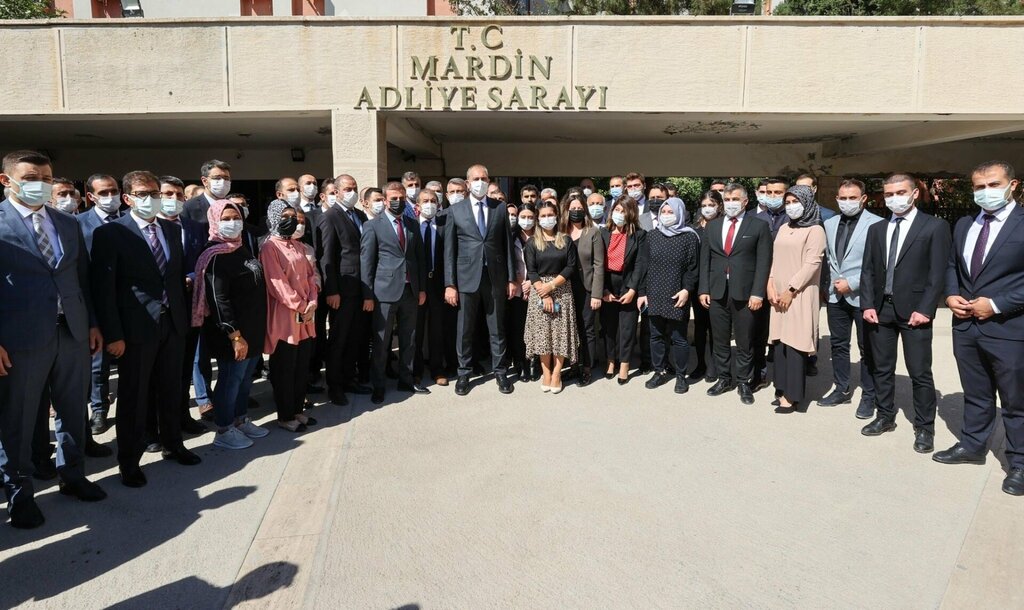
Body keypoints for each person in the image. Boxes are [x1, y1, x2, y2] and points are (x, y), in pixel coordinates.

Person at [0, 150, 107, 529]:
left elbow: (82, 278)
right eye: (32, 178)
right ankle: (19, 493)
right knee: (19, 417)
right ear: (6, 180)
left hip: (71, 331)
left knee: (73, 409)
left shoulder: (67, 222)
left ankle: (73, 475)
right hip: (20, 338)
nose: (41, 185)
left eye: (47, 178)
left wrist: (92, 323)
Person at [91, 170, 200, 489]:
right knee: (134, 397)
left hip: (172, 323)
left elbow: (174, 278)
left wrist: (182, 318)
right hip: (135, 330)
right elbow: (104, 289)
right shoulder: (111, 233)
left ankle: (173, 444)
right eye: (143, 194)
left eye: (156, 193)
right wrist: (114, 335)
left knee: (172, 388)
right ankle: (129, 461)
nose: (152, 199)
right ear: (127, 198)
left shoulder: (170, 229)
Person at [936, 161, 1024, 495]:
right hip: (966, 326)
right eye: (979, 187)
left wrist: (997, 304)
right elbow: (951, 265)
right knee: (976, 392)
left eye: (993, 184)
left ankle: (1019, 463)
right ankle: (972, 445)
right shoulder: (964, 224)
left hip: (1009, 329)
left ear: (1012, 185)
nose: (985, 192)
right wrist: (950, 295)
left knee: (1016, 400)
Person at [860, 173, 951, 453]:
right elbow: (868, 270)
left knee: (919, 371)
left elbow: (938, 273)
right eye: (889, 194)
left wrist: (926, 309)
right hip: (881, 309)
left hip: (915, 312)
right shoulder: (877, 229)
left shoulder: (934, 227)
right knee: (882, 367)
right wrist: (867, 304)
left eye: (900, 192)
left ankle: (924, 427)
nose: (894, 198)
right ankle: (885, 415)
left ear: (914, 194)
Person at [192, 199, 268, 449]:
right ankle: (224, 429)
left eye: (235, 218)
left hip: (253, 328)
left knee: (245, 380)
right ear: (214, 221)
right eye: (225, 219)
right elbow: (218, 299)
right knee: (231, 380)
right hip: (234, 333)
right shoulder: (214, 255)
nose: (232, 223)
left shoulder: (239, 247)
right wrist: (234, 335)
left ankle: (240, 419)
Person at [443, 164, 517, 396]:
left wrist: (511, 279)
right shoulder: (456, 210)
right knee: (465, 328)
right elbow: (449, 251)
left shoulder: (499, 208)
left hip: (495, 277)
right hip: (466, 278)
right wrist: (450, 284)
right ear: (467, 183)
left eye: (484, 178)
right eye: (476, 179)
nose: (480, 182)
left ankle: (500, 371)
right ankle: (464, 373)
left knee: (497, 328)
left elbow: (507, 246)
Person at [699, 183, 772, 404]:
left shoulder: (759, 226)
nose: (730, 203)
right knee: (720, 339)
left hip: (745, 293)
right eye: (727, 199)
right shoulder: (712, 227)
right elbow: (706, 260)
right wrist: (704, 289)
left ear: (745, 202)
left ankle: (743, 381)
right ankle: (724, 378)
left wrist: (758, 293)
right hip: (717, 291)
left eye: (735, 199)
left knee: (744, 340)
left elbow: (764, 263)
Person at [819, 179, 883, 417]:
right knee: (838, 345)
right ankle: (841, 388)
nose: (847, 202)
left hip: (863, 296)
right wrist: (827, 285)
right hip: (835, 296)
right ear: (837, 199)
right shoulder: (830, 223)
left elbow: (880, 263)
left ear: (863, 199)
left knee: (867, 348)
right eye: (843, 198)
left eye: (852, 198)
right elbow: (828, 259)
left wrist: (853, 283)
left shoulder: (877, 224)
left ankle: (869, 395)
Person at [361, 182, 429, 404]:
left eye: (401, 198)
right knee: (382, 342)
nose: (398, 202)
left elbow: (419, 258)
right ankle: (379, 385)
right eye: (393, 198)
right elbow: (367, 262)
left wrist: (421, 289)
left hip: (411, 290)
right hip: (384, 292)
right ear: (385, 200)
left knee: (410, 339)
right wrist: (368, 295)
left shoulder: (412, 223)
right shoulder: (372, 225)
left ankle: (406, 380)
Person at [765, 186, 826, 413]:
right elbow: (775, 258)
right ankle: (781, 388)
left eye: (795, 201)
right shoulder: (783, 228)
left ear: (807, 202)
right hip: (778, 293)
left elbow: (813, 263)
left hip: (799, 293)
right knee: (780, 342)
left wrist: (791, 290)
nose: (791, 206)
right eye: (788, 202)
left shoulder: (815, 230)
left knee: (795, 343)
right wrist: (770, 284)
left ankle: (793, 396)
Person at [156, 175, 208, 437]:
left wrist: (191, 277)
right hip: (157, 312)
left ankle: (182, 416)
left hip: (188, 308)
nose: (174, 199)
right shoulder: (149, 228)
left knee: (184, 367)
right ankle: (155, 427)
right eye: (168, 194)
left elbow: (201, 261)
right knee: (158, 373)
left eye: (178, 195)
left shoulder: (194, 227)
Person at [261, 201, 319, 432]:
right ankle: (285, 415)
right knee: (285, 366)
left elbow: (310, 276)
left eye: (292, 216)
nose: (291, 221)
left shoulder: (297, 245)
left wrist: (312, 301)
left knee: (301, 365)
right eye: (285, 216)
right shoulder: (269, 247)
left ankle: (297, 410)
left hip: (306, 314)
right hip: (285, 315)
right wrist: (301, 305)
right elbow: (277, 284)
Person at [318, 174, 372, 406]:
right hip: (342, 289)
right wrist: (332, 290)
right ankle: (335, 386)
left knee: (355, 337)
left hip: (360, 287)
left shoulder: (359, 215)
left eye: (355, 188)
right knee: (339, 339)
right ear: (337, 191)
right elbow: (327, 257)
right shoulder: (330, 217)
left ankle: (350, 379)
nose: (352, 192)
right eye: (347, 188)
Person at [638, 197, 699, 394]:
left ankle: (681, 376)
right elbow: (644, 265)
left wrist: (687, 290)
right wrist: (642, 292)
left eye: (670, 212)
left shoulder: (689, 237)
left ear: (679, 213)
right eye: (663, 212)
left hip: (677, 294)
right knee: (656, 336)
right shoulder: (652, 236)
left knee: (679, 338)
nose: (666, 215)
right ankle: (659, 371)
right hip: (654, 293)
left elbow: (693, 268)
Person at [77, 173, 122, 435]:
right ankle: (99, 409)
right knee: (98, 364)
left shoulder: (129, 220)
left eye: (113, 191)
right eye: (103, 193)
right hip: (95, 303)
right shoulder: (78, 224)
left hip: (128, 305)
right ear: (91, 196)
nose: (110, 197)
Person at [524, 200, 579, 393]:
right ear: (538, 219)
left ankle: (557, 373)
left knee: (560, 334)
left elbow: (571, 267)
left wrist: (552, 286)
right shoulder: (532, 242)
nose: (547, 218)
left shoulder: (566, 240)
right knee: (543, 335)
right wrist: (544, 292)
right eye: (543, 216)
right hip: (539, 291)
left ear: (556, 216)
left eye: (550, 215)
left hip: (561, 290)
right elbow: (531, 270)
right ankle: (546, 372)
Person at [601, 195, 646, 385]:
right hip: (608, 284)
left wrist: (633, 289)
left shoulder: (639, 235)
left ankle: (625, 363)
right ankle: (611, 360)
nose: (619, 214)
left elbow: (640, 264)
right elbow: (598, 264)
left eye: (623, 211)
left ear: (631, 214)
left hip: (628, 284)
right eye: (617, 210)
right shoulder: (603, 233)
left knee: (627, 328)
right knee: (609, 327)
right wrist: (603, 290)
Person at [566, 192, 607, 386]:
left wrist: (597, 294)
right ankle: (573, 366)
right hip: (565, 288)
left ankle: (587, 368)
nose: (576, 211)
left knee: (587, 329)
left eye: (579, 208)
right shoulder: (561, 231)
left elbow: (599, 265)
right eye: (572, 208)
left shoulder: (593, 232)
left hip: (587, 288)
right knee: (570, 328)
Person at [415, 188, 454, 386]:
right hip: (418, 286)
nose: (429, 204)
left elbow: (449, 257)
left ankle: (437, 369)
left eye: (433, 201)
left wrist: (449, 284)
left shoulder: (444, 225)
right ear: (417, 205)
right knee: (416, 330)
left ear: (438, 205)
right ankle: (416, 370)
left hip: (438, 284)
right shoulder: (412, 226)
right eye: (425, 201)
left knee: (437, 329)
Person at [689, 191, 722, 383]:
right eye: (704, 205)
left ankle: (714, 365)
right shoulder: (694, 229)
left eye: (711, 204)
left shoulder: (723, 226)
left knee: (715, 327)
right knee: (700, 327)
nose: (707, 208)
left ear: (719, 206)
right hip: (697, 285)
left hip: (716, 284)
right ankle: (700, 363)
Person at [509, 204, 537, 382]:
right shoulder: (511, 237)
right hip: (517, 289)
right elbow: (508, 261)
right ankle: (520, 362)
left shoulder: (541, 236)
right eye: (523, 217)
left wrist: (531, 282)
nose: (527, 221)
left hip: (537, 287)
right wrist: (521, 281)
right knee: (518, 328)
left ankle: (533, 362)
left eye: (530, 217)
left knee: (535, 328)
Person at [182, 159, 232, 230]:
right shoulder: (189, 207)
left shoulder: (235, 207)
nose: (223, 182)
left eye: (226, 178)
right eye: (217, 178)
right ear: (205, 181)